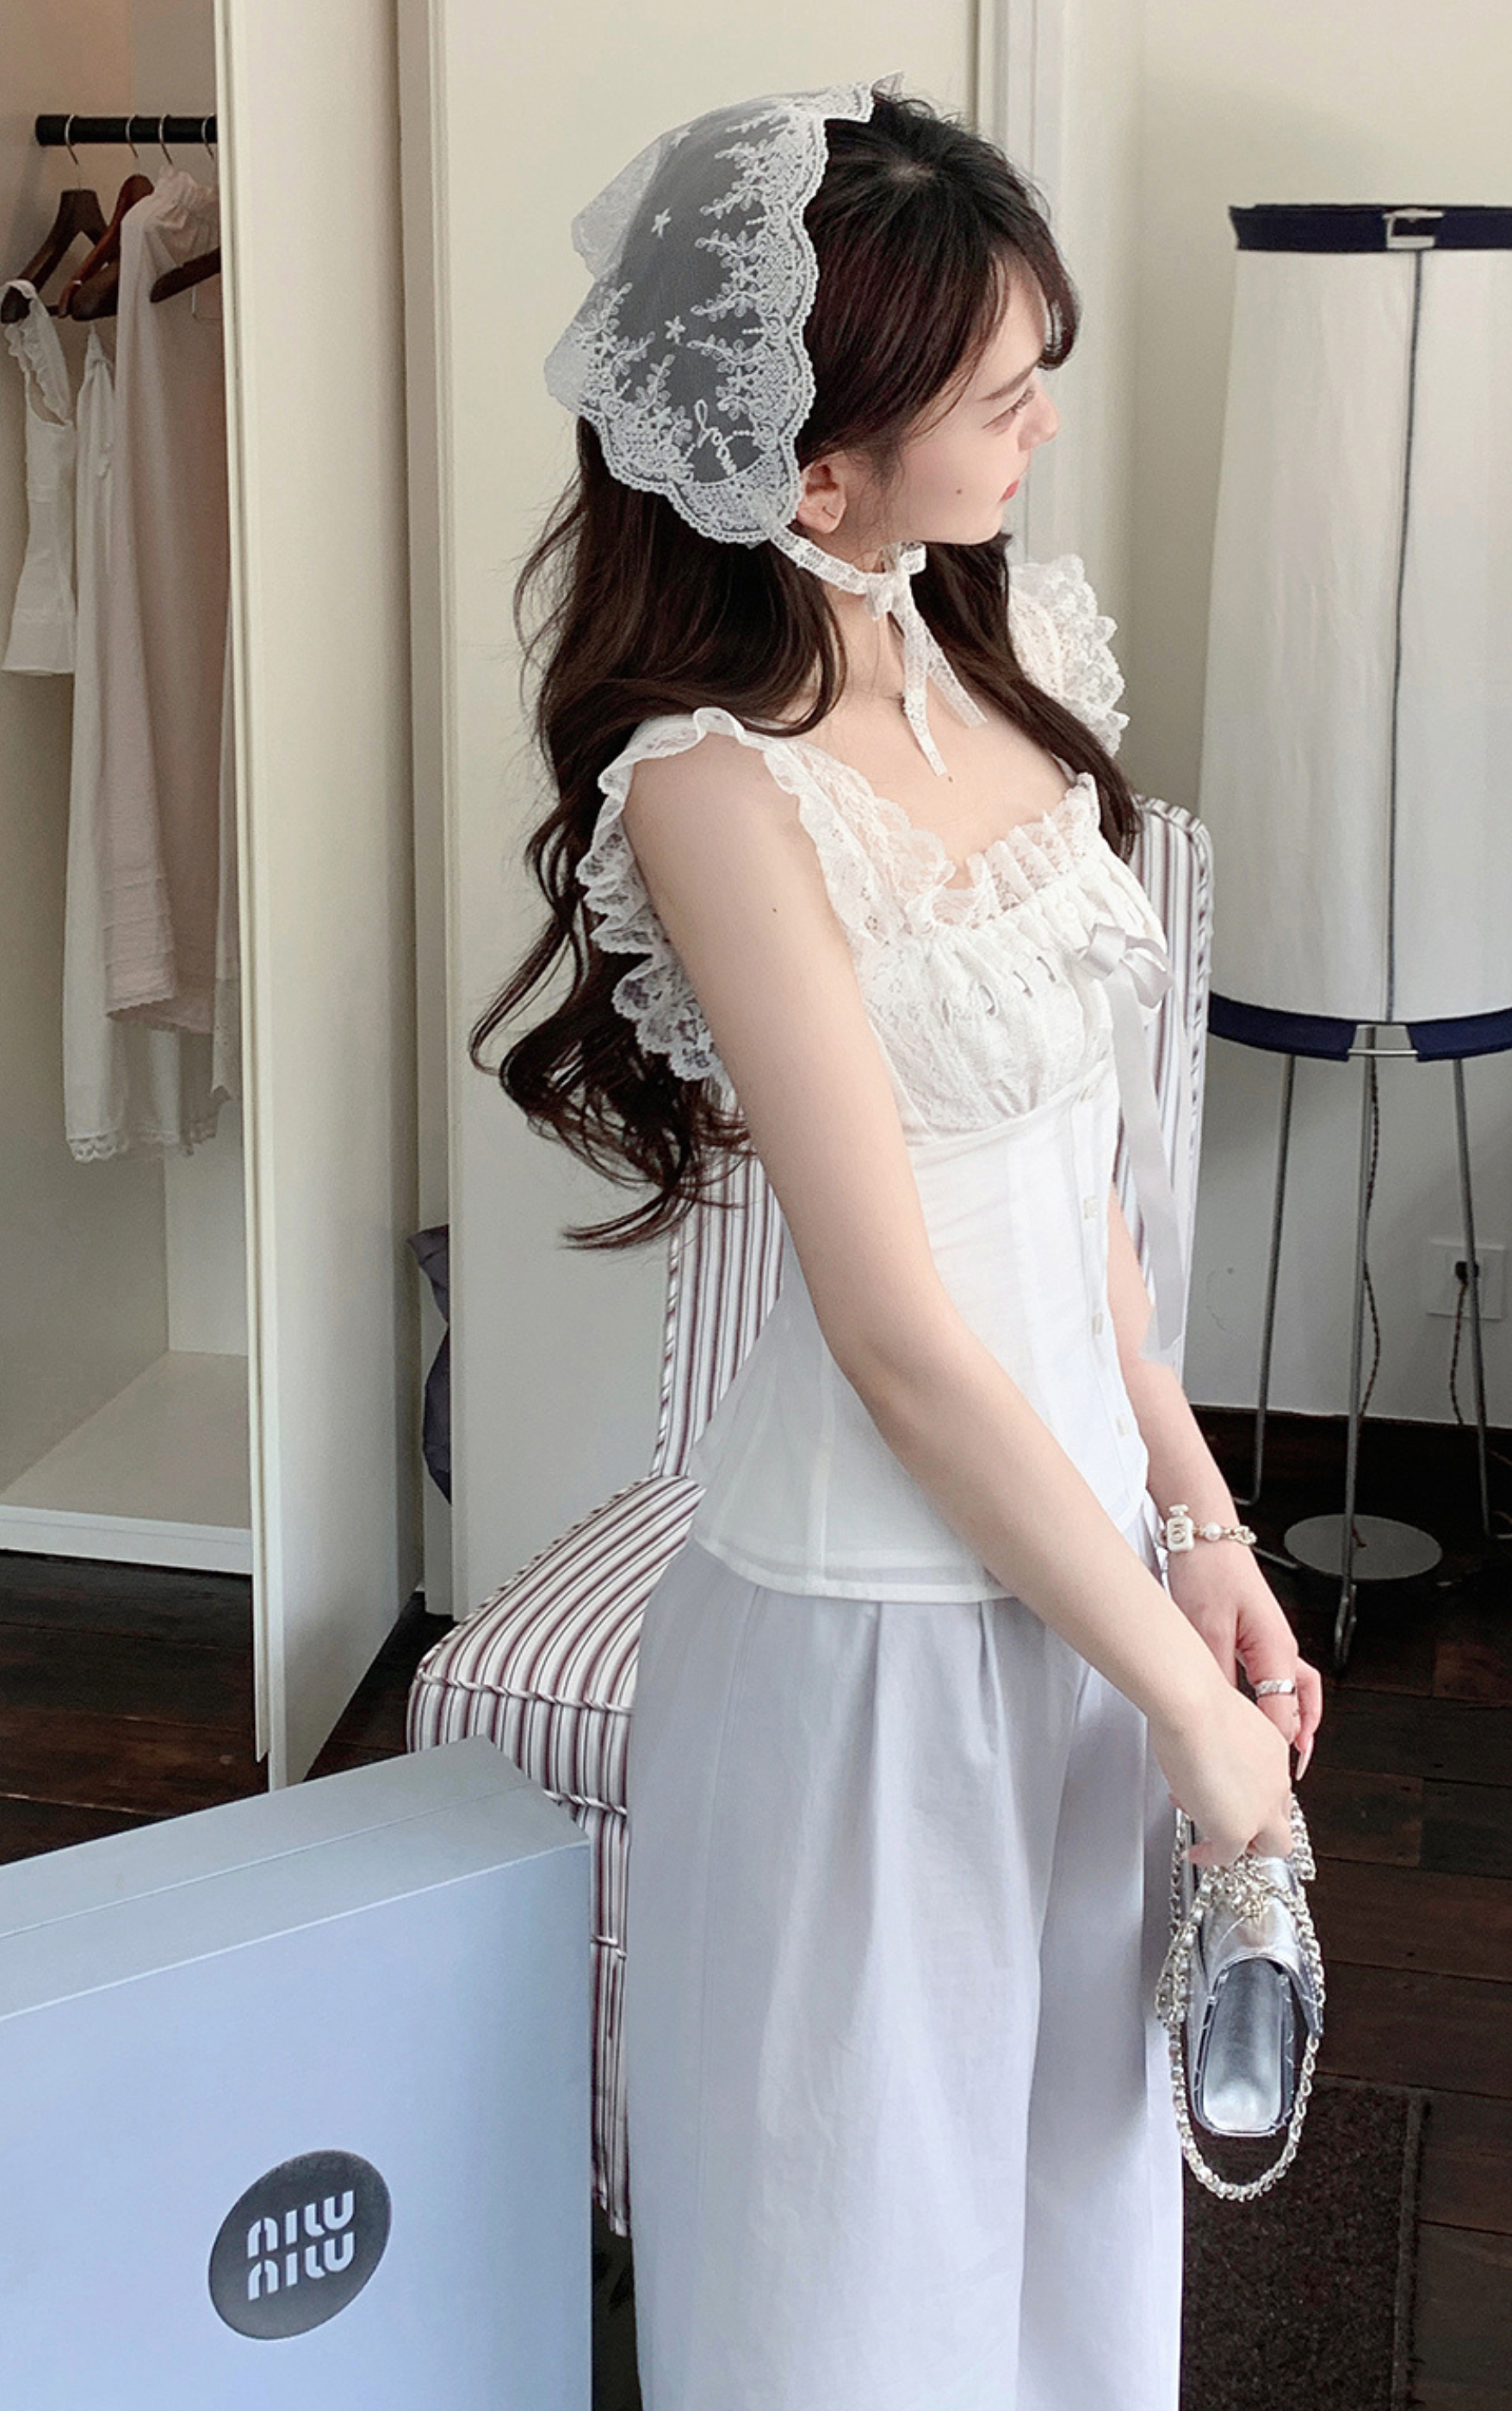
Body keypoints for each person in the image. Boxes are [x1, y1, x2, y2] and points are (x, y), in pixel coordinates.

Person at [474, 77, 1323, 2411]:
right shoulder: (714, 788)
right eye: (997, 389)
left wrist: (1203, 1534)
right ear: (814, 472)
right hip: (867, 1649)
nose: (1046, 419)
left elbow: (1081, 1197)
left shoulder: (1014, 651)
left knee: (1071, 2241)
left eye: (1044, 364)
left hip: (1085, 1600)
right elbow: (897, 1333)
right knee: (861, 2284)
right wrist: (1193, 1714)